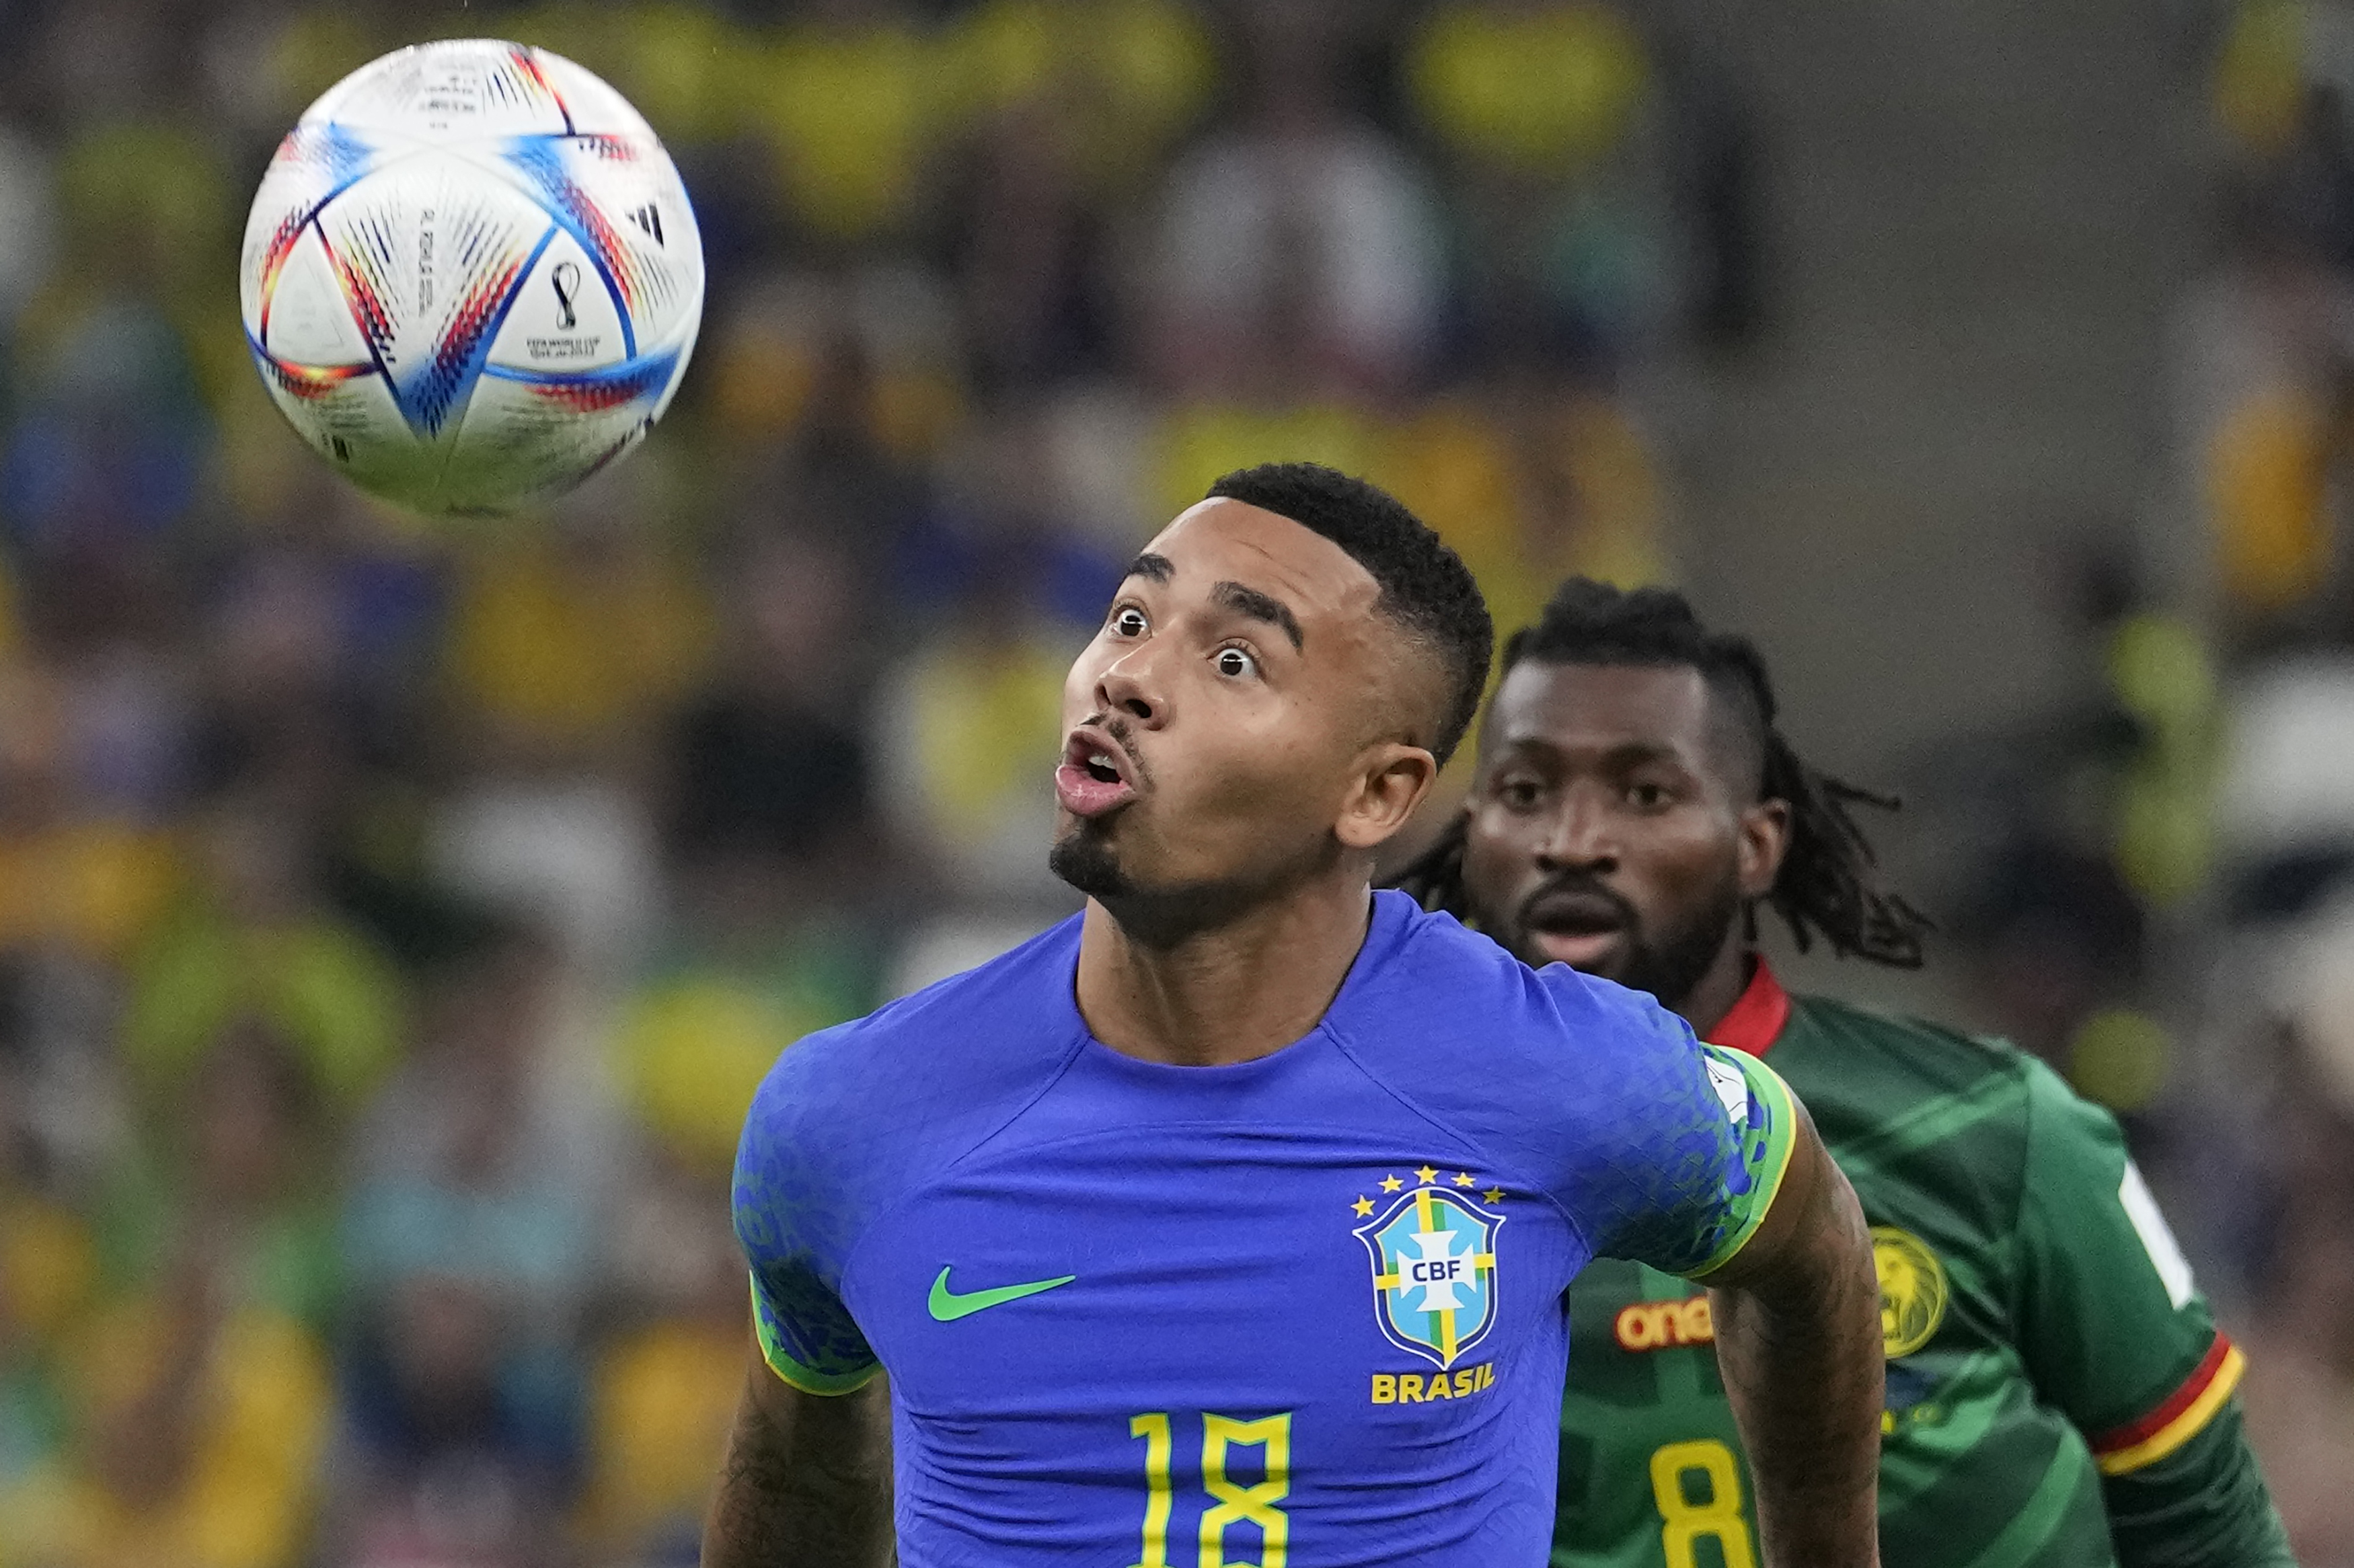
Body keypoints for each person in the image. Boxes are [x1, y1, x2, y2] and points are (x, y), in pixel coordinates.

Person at [710, 464, 1885, 1567]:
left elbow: (1813, 1243)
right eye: (1129, 620)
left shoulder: (1569, 1080)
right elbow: (797, 1478)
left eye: (1231, 662)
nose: (1128, 677)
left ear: (1376, 792)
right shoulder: (848, 1117)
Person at [1392, 577, 2296, 1567]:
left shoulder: (1991, 1129)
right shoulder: (1377, 1163)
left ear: (1757, 845)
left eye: (1645, 794)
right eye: (1526, 793)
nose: (1573, 841)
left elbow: (2204, 1514)